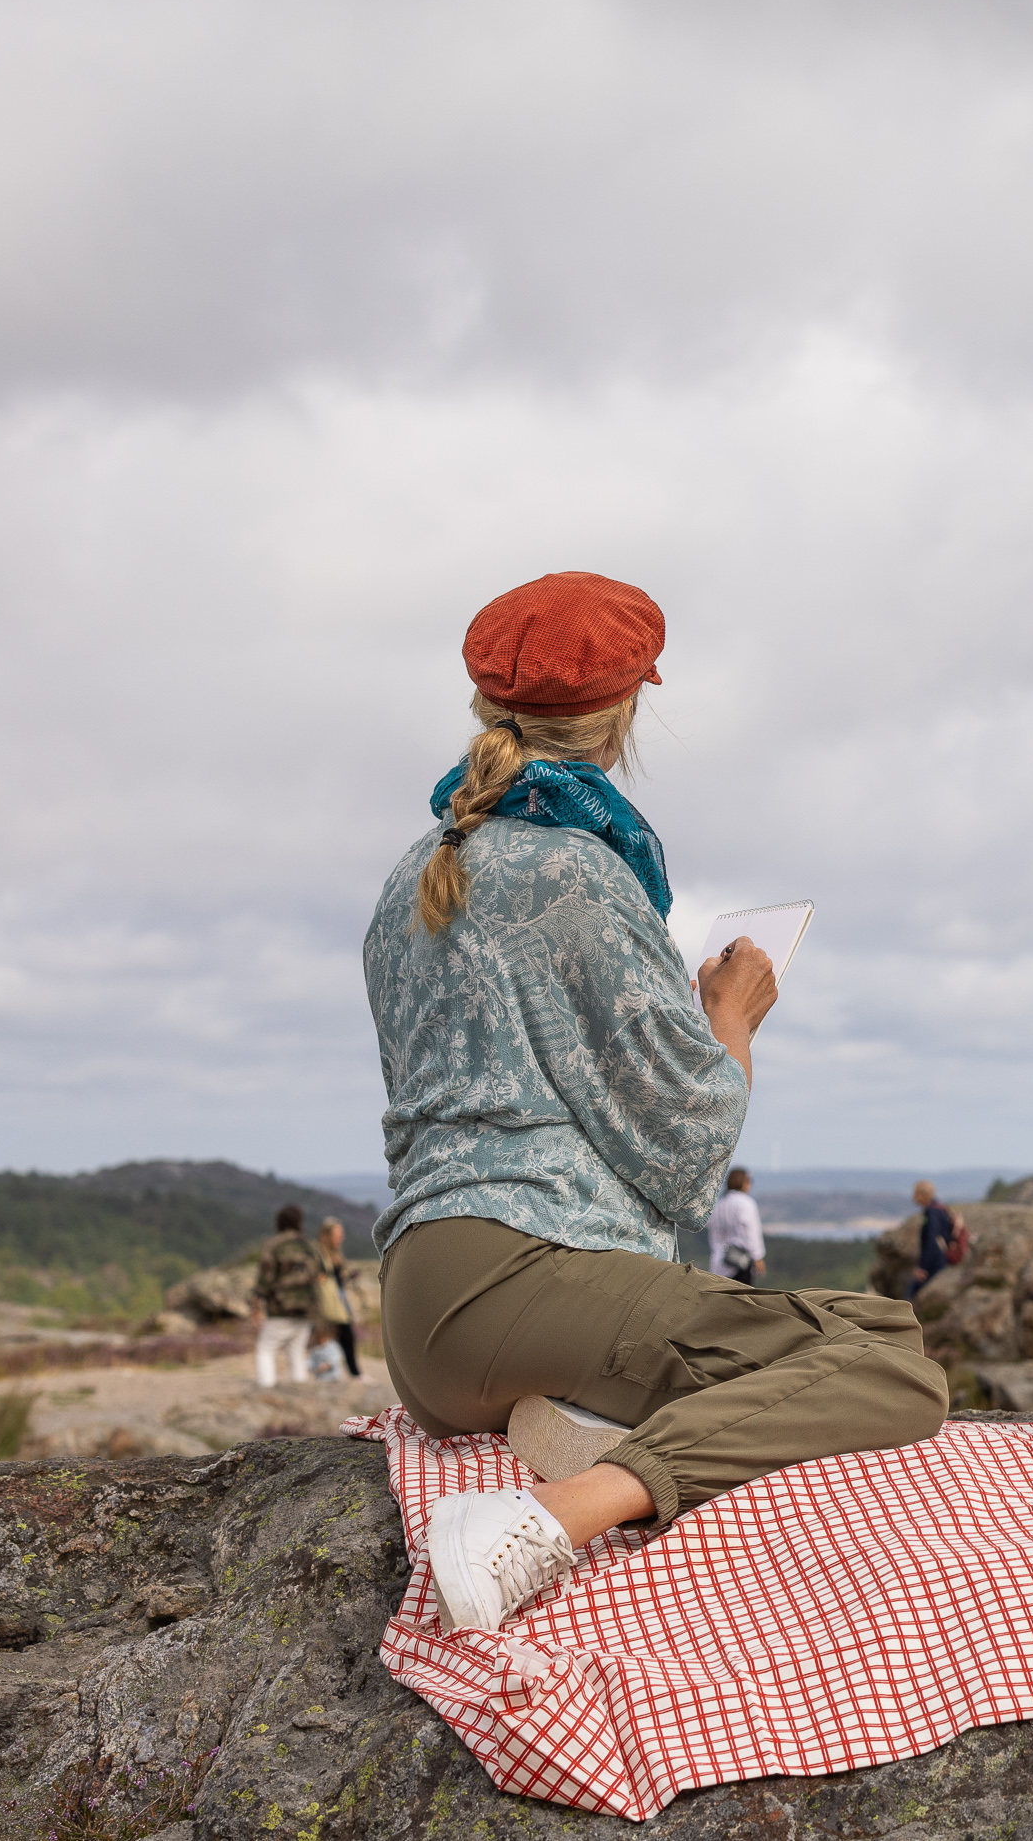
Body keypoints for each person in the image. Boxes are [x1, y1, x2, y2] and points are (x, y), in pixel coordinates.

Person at [368, 571, 948, 1633]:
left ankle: (581, 1418)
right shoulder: (580, 874)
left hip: (422, 1304)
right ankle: (555, 1512)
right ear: (630, 704)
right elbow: (686, 1147)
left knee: (857, 1325)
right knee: (889, 1362)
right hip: (519, 1274)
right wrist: (728, 1017)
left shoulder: (419, 866)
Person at [253, 1205, 324, 1386]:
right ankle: (299, 1389)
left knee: (265, 1349)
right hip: (308, 1307)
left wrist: (256, 1305)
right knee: (297, 1350)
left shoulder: (274, 1245)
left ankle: (266, 1388)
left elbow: (265, 1279)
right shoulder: (309, 1245)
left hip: (281, 1307)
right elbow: (321, 1275)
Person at [314, 1217, 366, 1382]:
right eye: (338, 1233)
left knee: (340, 1336)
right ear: (328, 1235)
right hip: (332, 1300)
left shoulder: (334, 1253)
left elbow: (336, 1278)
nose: (341, 1237)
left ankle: (342, 1372)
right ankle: (354, 1373)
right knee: (343, 1335)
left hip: (337, 1298)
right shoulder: (321, 1253)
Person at [908, 1179, 964, 1301]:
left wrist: (923, 1267)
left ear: (924, 1194)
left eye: (916, 1193)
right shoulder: (939, 1208)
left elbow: (931, 1241)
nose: (913, 1196)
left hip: (936, 1261)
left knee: (910, 1296)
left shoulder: (932, 1212)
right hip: (939, 1259)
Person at [707, 1168, 765, 1285]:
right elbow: (751, 1231)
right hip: (741, 1260)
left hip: (720, 1259)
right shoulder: (746, 1203)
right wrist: (758, 1256)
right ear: (744, 1182)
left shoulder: (719, 1204)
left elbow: (714, 1233)